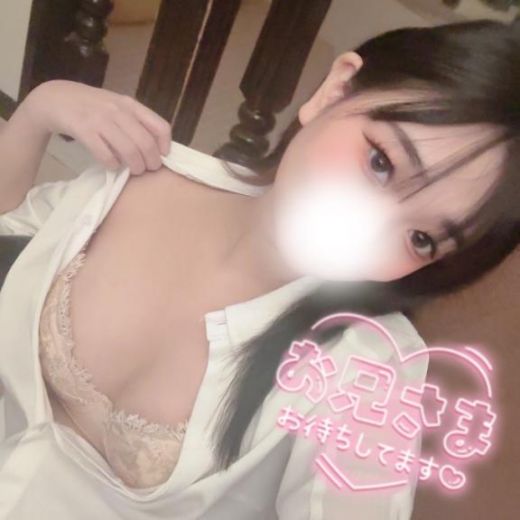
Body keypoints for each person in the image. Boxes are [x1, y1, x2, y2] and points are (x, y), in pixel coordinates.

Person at [0, 18, 519, 519]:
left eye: (422, 239)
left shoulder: (365, 370)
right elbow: (11, 232)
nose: (367, 231)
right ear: (335, 90)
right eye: (381, 162)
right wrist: (38, 112)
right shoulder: (139, 174)